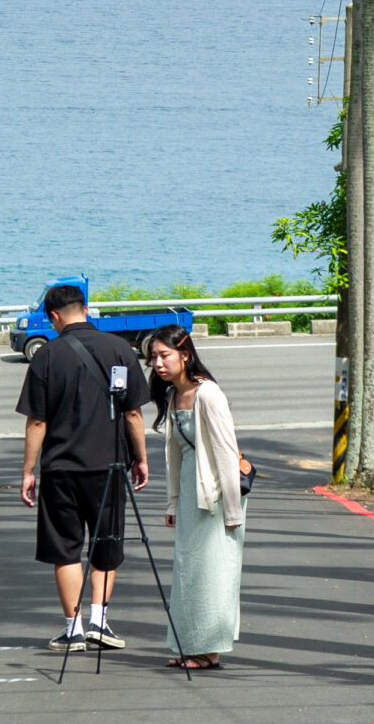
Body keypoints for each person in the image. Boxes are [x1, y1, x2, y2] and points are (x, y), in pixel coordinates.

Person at [16, 279, 150, 652]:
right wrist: (140, 459)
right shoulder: (119, 349)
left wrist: (29, 471)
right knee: (106, 543)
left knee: (66, 549)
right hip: (108, 467)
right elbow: (134, 413)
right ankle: (99, 622)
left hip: (60, 469)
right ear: (86, 310)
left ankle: (73, 628)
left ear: (54, 316)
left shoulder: (46, 357)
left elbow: (37, 421)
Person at [145, 325, 243, 670]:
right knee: (188, 569)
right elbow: (176, 456)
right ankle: (191, 644)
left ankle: (209, 650)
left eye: (164, 355)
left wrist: (232, 511)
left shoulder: (208, 394)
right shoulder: (173, 396)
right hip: (190, 492)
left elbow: (227, 454)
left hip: (215, 495)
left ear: (185, 356)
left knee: (212, 571)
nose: (157, 363)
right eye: (152, 357)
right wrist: (172, 502)